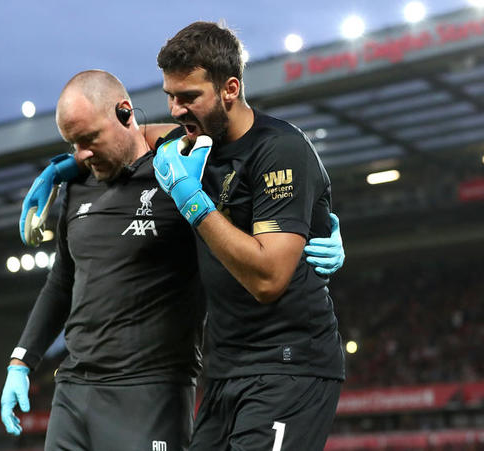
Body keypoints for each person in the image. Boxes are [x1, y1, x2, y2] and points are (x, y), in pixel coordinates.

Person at [1, 70, 346, 450]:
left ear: (124, 114)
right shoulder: (76, 184)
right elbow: (61, 280)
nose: (80, 154)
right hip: (73, 389)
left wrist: (323, 228)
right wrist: (21, 360)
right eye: (71, 144)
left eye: (89, 139)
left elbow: (259, 180)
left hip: (152, 390)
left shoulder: (182, 171)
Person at [152, 22, 345, 450]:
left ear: (230, 89)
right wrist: (66, 164)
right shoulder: (193, 140)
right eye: (170, 96)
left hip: (288, 365)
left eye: (188, 97)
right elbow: (130, 140)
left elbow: (268, 280)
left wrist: (192, 200)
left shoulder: (279, 150)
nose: (176, 109)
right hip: (224, 369)